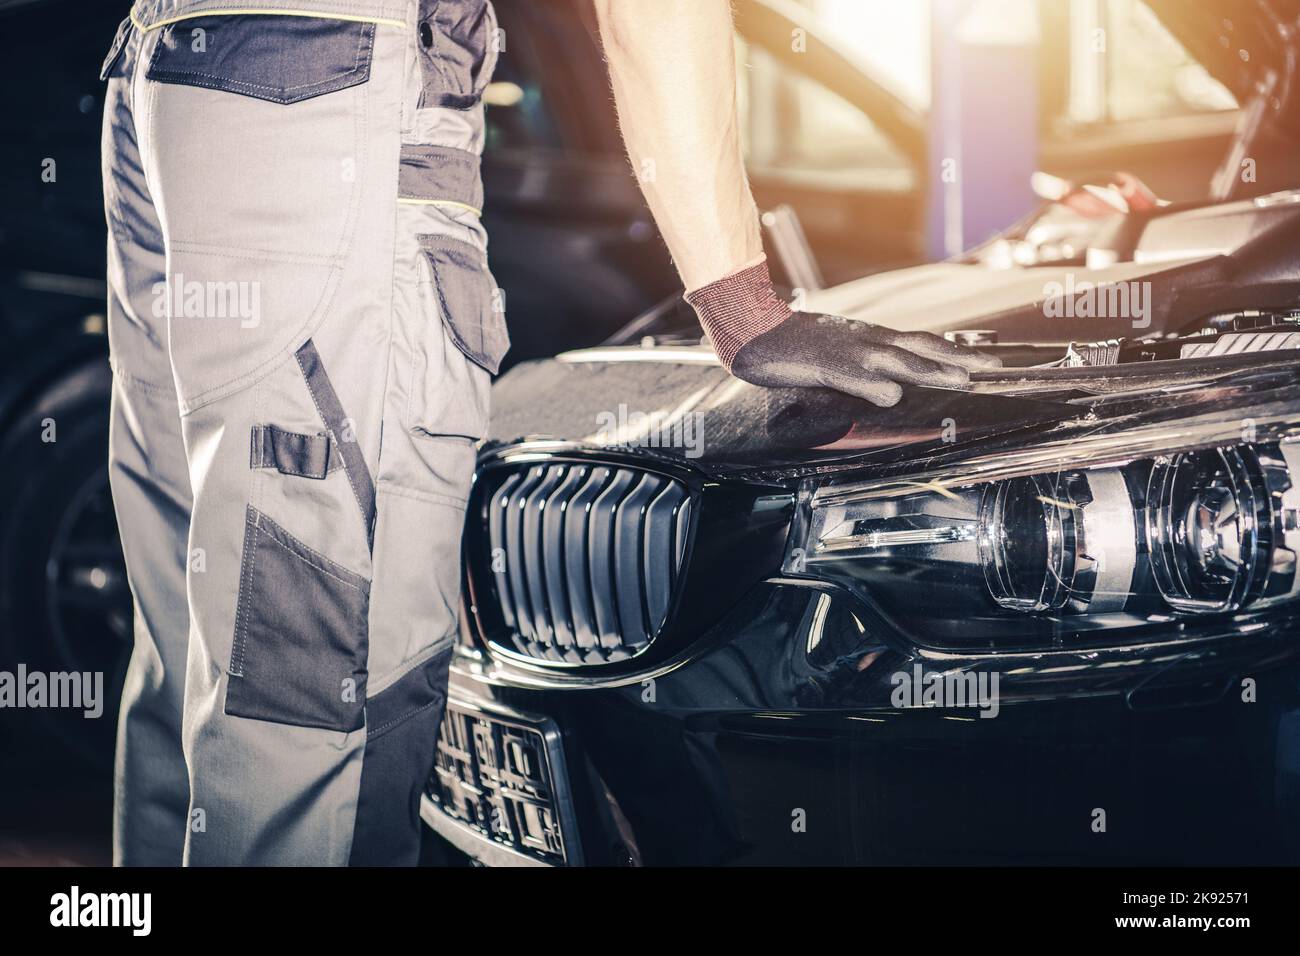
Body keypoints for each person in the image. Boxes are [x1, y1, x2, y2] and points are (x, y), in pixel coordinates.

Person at [101, 0, 995, 867]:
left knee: (201, 649)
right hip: (335, 92)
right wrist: (742, 307)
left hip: (171, 65)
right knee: (312, 693)